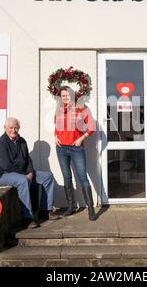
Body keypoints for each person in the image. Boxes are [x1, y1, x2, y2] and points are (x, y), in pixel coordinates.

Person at [0, 117, 60, 229]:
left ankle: (45, 210)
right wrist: (25, 175)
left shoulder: (22, 141)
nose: (13, 130)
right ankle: (27, 218)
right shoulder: (1, 143)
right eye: (11, 128)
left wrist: (30, 172)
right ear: (5, 128)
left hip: (23, 173)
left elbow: (28, 160)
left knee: (47, 177)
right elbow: (6, 166)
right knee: (23, 180)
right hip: (4, 175)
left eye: (16, 128)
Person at [54, 86, 98, 221]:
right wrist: (55, 136)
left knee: (82, 177)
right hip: (61, 149)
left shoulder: (81, 108)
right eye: (63, 96)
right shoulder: (59, 110)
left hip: (76, 148)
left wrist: (81, 138)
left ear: (72, 95)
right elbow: (56, 126)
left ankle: (91, 209)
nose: (65, 98)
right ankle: (71, 206)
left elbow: (92, 127)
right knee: (67, 177)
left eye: (67, 95)